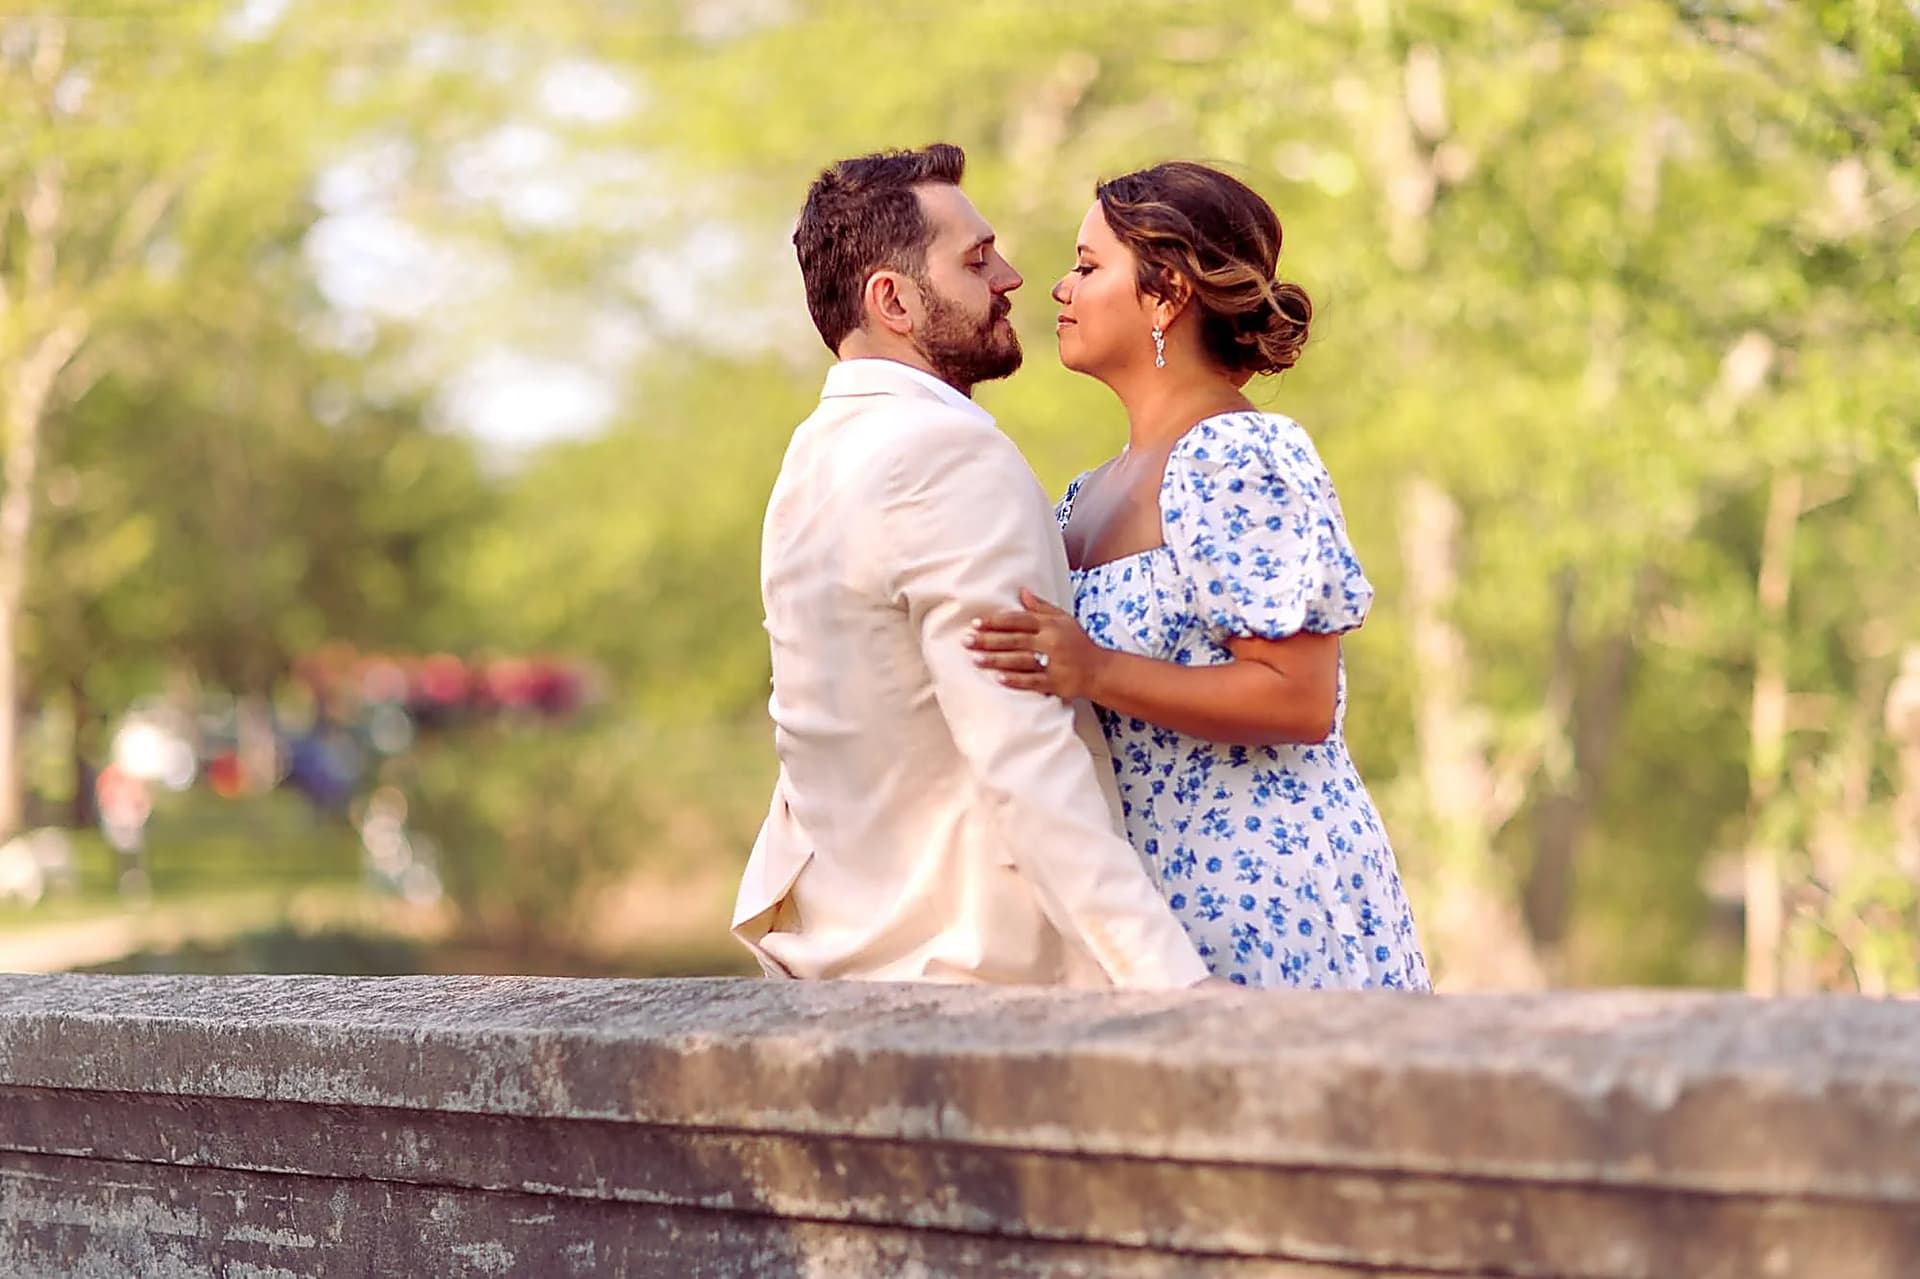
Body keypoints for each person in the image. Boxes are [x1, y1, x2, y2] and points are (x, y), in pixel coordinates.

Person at [731, 144, 1212, 989]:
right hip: (968, 978)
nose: (1015, 277)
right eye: (977, 259)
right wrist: (1177, 985)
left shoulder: (811, 460)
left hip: (840, 967)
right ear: (895, 300)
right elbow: (1022, 751)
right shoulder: (947, 455)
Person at [966, 162, 1430, 990]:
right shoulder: (1083, 495)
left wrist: (1096, 669)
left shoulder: (1235, 455)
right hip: (1151, 922)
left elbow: (1299, 697)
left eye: (1087, 264)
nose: (1059, 289)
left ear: (1165, 293)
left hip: (1267, 903)